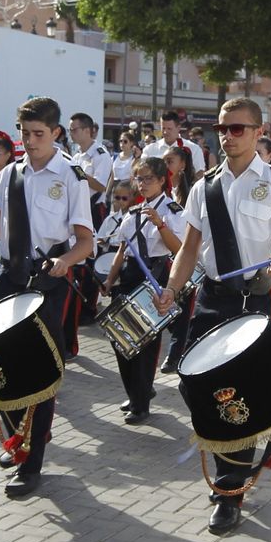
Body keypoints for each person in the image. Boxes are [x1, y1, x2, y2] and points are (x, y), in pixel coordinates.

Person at [153, 97, 271, 535]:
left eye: (238, 129)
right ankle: (239, 459)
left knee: (233, 392)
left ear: (259, 133)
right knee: (193, 383)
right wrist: (172, 289)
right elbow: (189, 249)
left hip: (253, 302)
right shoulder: (204, 187)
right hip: (213, 299)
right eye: (223, 128)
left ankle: (228, 489)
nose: (228, 136)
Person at [0, 97, 94, 499]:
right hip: (8, 277)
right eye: (24, 133)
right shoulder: (10, 175)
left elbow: (85, 242)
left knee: (38, 372)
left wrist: (64, 261)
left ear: (55, 133)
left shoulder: (71, 175)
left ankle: (31, 460)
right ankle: (20, 433)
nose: (30, 141)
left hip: (46, 283)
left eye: (38, 134)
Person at [100, 156, 183, 423]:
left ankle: (141, 402)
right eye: (139, 178)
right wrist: (109, 280)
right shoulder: (133, 213)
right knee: (121, 340)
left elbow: (179, 249)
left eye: (149, 178)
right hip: (128, 278)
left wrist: (160, 223)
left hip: (154, 280)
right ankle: (136, 392)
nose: (143, 183)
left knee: (146, 345)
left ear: (161, 180)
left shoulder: (172, 210)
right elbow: (122, 250)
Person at [69, 112, 113, 322]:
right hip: (78, 207)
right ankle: (78, 306)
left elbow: (101, 185)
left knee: (90, 256)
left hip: (94, 208)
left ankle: (89, 308)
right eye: (70, 130)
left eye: (75, 129)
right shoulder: (76, 155)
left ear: (87, 130)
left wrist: (81, 174)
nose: (71, 134)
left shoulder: (100, 154)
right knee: (77, 256)